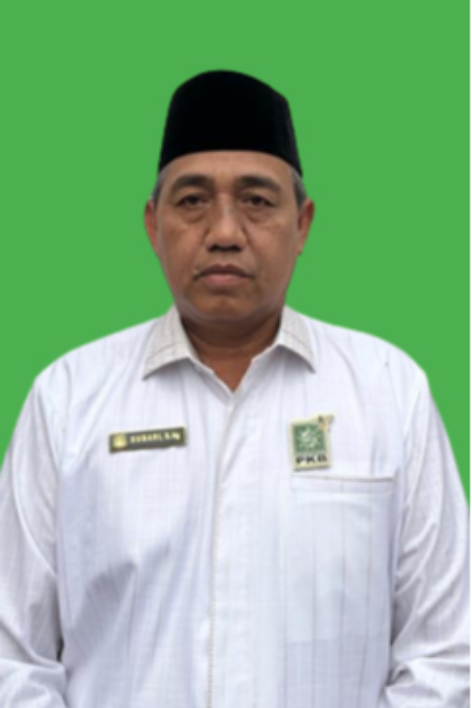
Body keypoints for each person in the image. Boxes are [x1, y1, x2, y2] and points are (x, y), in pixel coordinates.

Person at [0, 70, 470, 708]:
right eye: (193, 200)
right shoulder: (68, 398)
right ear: (153, 224)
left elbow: (447, 652)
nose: (224, 231)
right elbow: (12, 656)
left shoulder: (390, 391)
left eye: (256, 200)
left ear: (302, 225)